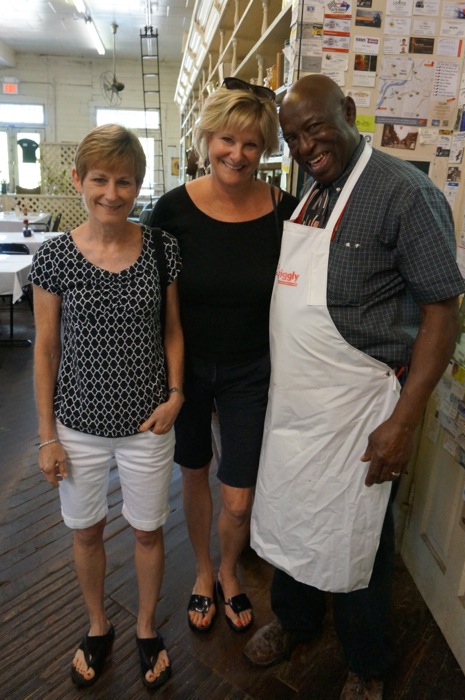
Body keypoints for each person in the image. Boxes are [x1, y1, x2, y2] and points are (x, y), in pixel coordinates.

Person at [244, 75, 465, 699]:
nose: (306, 145)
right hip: (298, 405)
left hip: (361, 408)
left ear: (348, 111)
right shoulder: (312, 192)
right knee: (293, 518)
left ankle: (367, 662)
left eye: (315, 127)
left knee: (357, 536)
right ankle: (295, 620)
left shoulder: (404, 194)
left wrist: (404, 421)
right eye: (292, 137)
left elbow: (442, 314)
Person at [30, 124, 184, 690]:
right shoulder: (55, 259)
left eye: (125, 181)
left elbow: (172, 330)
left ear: (139, 186)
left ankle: (145, 626)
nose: (112, 193)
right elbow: (45, 350)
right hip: (78, 428)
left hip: (149, 421)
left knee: (148, 530)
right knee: (87, 530)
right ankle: (98, 625)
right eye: (100, 179)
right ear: (79, 180)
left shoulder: (163, 249)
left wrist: (175, 394)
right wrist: (47, 437)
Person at [149, 79, 298, 635]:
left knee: (238, 496)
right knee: (193, 473)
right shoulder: (171, 211)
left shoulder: (287, 211)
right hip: (185, 370)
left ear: (266, 150)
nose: (237, 155)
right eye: (226, 140)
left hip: (253, 370)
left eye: (252, 144)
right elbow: (149, 298)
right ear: (206, 138)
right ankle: (203, 570)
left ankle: (231, 570)